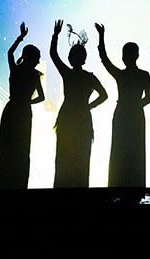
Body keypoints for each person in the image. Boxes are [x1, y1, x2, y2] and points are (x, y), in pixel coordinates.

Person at [51, 19, 108, 187]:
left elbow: (53, 55)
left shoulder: (68, 74)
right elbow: (104, 95)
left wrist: (55, 35)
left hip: (67, 116)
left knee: (63, 157)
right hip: (83, 118)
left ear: (71, 58)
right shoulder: (89, 77)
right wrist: (88, 106)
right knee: (82, 158)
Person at [94, 23, 150, 187]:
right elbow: (149, 98)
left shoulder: (121, 75)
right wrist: (136, 105)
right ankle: (134, 183)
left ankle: (118, 183)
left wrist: (101, 36)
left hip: (123, 113)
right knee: (135, 150)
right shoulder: (143, 75)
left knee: (120, 149)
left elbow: (104, 59)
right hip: (134, 114)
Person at [0, 22, 45, 189]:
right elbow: (42, 97)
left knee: (8, 147)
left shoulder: (16, 69)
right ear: (31, 57)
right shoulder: (34, 75)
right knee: (21, 148)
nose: (38, 61)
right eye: (37, 57)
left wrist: (20, 37)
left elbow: (9, 53)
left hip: (12, 109)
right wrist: (28, 102)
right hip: (23, 112)